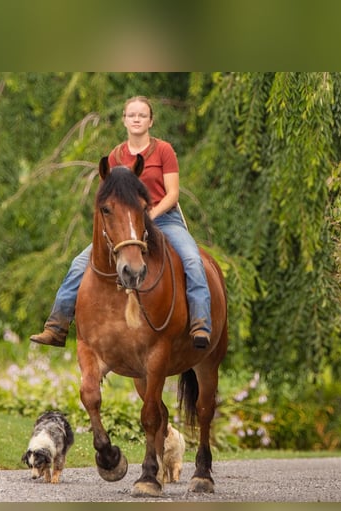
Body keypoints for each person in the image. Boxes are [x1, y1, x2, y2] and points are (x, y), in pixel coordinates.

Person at [30, 96, 212, 349]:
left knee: (192, 259)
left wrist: (150, 216)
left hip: (163, 218)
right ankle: (57, 326)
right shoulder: (116, 156)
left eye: (142, 115)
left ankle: (200, 324)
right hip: (127, 226)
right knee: (79, 263)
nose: (137, 119)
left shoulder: (163, 151)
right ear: (125, 120)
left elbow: (172, 194)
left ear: (150, 121)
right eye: (132, 115)